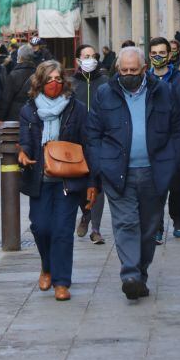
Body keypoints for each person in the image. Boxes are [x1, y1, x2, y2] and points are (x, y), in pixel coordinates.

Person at [85, 46, 180, 301]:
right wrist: (100, 165)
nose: (128, 74)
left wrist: (174, 161)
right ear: (117, 69)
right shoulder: (104, 93)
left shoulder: (163, 92)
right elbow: (93, 134)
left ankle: (140, 274)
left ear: (144, 69)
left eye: (133, 70)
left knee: (149, 227)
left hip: (155, 171)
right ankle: (130, 275)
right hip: (118, 172)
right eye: (124, 70)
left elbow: (176, 129)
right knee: (126, 223)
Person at [17, 61, 92, 302]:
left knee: (62, 230)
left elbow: (87, 144)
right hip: (40, 178)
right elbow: (25, 139)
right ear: (39, 82)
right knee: (41, 227)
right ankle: (47, 266)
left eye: (58, 79)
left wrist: (93, 182)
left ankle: (61, 281)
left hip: (68, 180)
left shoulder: (77, 109)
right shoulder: (29, 110)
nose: (54, 83)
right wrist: (23, 153)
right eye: (49, 79)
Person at [148, 36, 180, 243]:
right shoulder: (144, 79)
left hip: (175, 137)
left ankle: (178, 219)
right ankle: (157, 225)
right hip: (152, 138)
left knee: (175, 181)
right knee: (155, 184)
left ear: (169, 55)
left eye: (162, 53)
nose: (158, 56)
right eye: (154, 53)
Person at [72, 44, 108, 245]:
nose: (90, 59)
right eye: (86, 56)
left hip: (99, 139)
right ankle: (85, 213)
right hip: (77, 141)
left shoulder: (104, 82)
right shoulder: (71, 84)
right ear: (78, 60)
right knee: (79, 184)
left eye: (93, 56)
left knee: (98, 182)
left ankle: (96, 229)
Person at [0, 45, 36, 123]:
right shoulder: (38, 73)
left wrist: (0, 117)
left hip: (15, 115)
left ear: (20, 57)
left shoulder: (13, 74)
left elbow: (6, 99)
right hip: (34, 113)